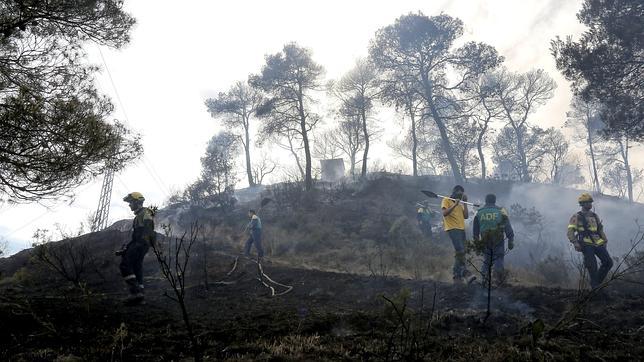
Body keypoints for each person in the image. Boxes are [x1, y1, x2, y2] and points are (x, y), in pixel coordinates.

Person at [567, 193, 613, 289]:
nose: (590, 204)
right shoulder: (577, 216)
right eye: (588, 202)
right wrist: (575, 242)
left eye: (590, 202)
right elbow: (570, 231)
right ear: (582, 204)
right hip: (586, 243)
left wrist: (604, 241)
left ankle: (595, 283)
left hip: (598, 243)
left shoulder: (595, 216)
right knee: (592, 265)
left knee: (608, 262)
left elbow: (600, 230)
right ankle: (595, 287)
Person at [118, 192, 156, 306]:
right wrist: (127, 249)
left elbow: (148, 228)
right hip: (139, 243)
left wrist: (142, 243)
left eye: (130, 202)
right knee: (136, 268)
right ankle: (140, 296)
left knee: (125, 265)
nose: (129, 205)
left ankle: (135, 293)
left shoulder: (146, 212)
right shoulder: (137, 216)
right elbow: (135, 237)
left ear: (136, 202)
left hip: (141, 243)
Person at [473, 194, 514, 285]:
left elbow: (475, 230)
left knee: (487, 260)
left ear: (485, 201)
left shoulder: (479, 212)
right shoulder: (501, 211)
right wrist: (511, 239)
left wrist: (476, 242)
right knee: (498, 258)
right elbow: (507, 226)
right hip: (498, 238)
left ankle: (484, 280)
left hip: (485, 239)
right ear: (495, 201)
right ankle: (498, 280)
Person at [442, 185, 475, 284]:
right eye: (459, 194)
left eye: (461, 195)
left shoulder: (460, 204)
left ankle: (456, 277)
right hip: (453, 229)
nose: (460, 197)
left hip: (461, 229)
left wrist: (464, 203)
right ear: (454, 192)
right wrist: (454, 205)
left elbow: (466, 216)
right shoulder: (446, 200)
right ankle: (465, 273)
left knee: (461, 252)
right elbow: (444, 213)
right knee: (460, 251)